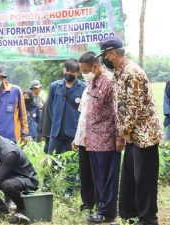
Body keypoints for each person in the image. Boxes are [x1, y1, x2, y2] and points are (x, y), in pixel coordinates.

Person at [98, 36, 163, 225]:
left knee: (145, 179)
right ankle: (131, 214)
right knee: (131, 177)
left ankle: (149, 218)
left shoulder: (131, 72)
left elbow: (133, 107)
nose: (104, 60)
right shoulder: (120, 72)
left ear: (112, 54)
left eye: (105, 56)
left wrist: (125, 131)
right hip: (133, 134)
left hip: (144, 135)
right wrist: (125, 133)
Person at [78, 51, 122, 223]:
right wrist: (86, 135)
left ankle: (108, 214)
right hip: (93, 140)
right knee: (98, 178)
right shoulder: (93, 82)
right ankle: (101, 209)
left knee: (108, 177)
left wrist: (120, 138)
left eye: (84, 70)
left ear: (95, 66)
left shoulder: (109, 82)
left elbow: (119, 111)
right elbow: (91, 111)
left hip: (107, 139)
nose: (83, 73)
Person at [47, 58, 86, 197]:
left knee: (72, 163)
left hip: (73, 134)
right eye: (67, 70)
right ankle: (47, 187)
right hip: (56, 132)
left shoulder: (83, 88)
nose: (69, 73)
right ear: (64, 70)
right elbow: (50, 108)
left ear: (78, 73)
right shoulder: (54, 86)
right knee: (50, 160)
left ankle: (68, 191)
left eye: (72, 71)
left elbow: (84, 112)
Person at [72, 52, 95, 213]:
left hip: (95, 140)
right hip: (82, 140)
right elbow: (82, 117)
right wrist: (76, 137)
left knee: (96, 173)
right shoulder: (87, 89)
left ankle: (100, 203)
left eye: (85, 71)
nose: (83, 74)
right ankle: (87, 203)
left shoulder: (104, 85)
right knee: (85, 173)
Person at [0, 64, 29, 145]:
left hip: (12, 136)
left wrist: (24, 133)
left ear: (2, 77)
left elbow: (23, 114)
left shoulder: (16, 91)